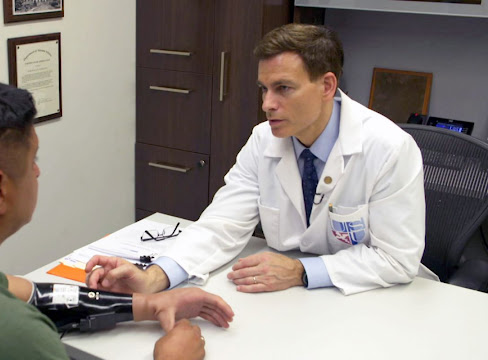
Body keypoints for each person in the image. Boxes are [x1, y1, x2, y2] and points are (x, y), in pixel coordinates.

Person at [0, 77, 233, 360]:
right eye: (33, 160)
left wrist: (149, 305)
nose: (37, 173)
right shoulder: (11, 336)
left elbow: (32, 294)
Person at [86, 23, 438, 296]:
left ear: (327, 86)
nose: (268, 103)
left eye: (283, 88)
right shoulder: (263, 140)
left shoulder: (389, 148)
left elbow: (397, 259)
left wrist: (301, 272)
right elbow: (221, 225)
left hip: (371, 301)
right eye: (264, 89)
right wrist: (155, 277)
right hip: (290, 305)